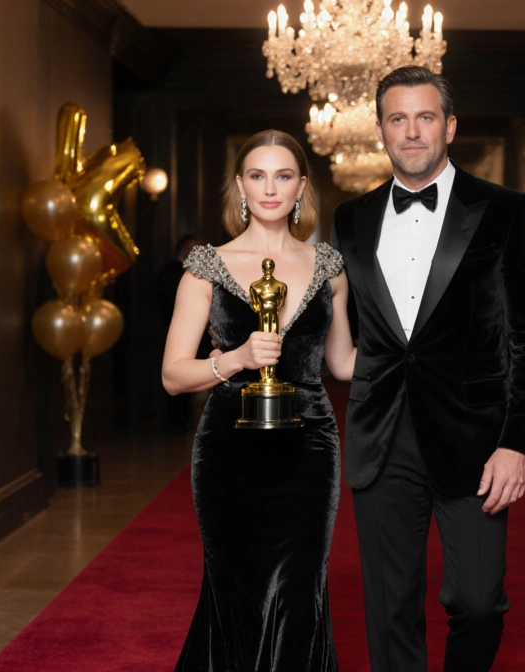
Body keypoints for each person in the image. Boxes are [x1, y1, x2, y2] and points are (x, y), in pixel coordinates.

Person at [330, 66, 525, 672]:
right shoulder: (351, 219)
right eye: (397, 119)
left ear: (449, 126)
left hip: (477, 439)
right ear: (380, 131)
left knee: (479, 602)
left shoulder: (505, 210)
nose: (411, 131)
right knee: (389, 606)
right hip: (381, 433)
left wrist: (517, 443)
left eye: (425, 117)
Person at [161, 129, 357, 671]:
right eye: (257, 175)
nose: (270, 188)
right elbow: (173, 376)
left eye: (283, 175)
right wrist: (238, 359)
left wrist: (424, 352)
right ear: (241, 188)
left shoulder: (330, 268)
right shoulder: (205, 267)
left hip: (310, 448)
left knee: (300, 590)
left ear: (301, 188)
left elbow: (342, 363)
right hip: (230, 449)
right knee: (235, 587)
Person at [157, 234, 201, 432]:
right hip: (169, 332)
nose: (195, 253)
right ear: (182, 250)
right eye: (191, 249)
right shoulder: (172, 272)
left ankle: (182, 420)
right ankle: (175, 422)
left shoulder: (195, 272)